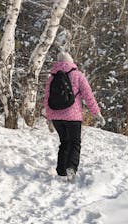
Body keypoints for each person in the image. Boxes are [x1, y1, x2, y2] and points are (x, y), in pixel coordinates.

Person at [43, 51, 105, 181]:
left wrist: (49, 118)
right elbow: (89, 96)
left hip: (56, 117)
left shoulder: (52, 78)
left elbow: (47, 99)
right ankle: (71, 167)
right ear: (71, 62)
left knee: (64, 142)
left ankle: (61, 171)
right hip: (73, 117)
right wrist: (96, 113)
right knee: (75, 143)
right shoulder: (78, 76)